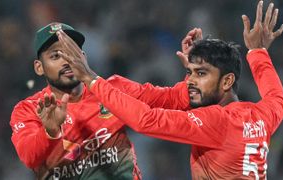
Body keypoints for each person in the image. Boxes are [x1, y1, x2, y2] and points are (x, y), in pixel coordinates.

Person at [59, 1, 283, 179]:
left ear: (227, 82)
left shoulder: (217, 121)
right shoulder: (261, 116)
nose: (190, 81)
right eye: (190, 72)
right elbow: (277, 98)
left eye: (201, 73)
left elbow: (146, 120)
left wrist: (91, 79)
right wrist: (257, 51)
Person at [10, 22, 191, 179]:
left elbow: (175, 99)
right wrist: (49, 132)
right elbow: (29, 157)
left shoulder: (113, 89)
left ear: (83, 57)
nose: (66, 61)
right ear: (39, 67)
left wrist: (195, 71)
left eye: (71, 52)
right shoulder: (29, 109)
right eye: (55, 56)